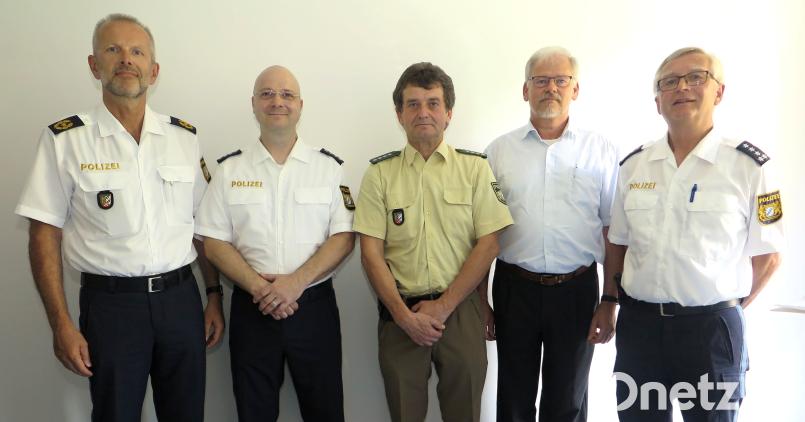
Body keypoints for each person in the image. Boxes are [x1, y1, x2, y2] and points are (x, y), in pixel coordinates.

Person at [14, 13, 225, 422]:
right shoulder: (65, 140)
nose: (126, 59)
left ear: (154, 70)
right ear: (94, 65)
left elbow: (203, 229)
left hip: (181, 302)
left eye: (137, 52)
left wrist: (213, 295)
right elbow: (43, 234)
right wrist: (61, 324)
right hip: (111, 308)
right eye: (113, 49)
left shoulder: (184, 138)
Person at [608, 47, 784, 421]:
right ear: (657, 101)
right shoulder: (634, 166)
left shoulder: (749, 167)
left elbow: (769, 256)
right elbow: (618, 244)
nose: (682, 88)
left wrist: (727, 308)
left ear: (719, 91)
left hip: (710, 334)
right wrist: (609, 302)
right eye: (669, 82)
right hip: (640, 331)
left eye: (695, 77)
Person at [353, 62, 513, 422]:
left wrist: (443, 306)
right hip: (401, 313)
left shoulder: (475, 169)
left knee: (465, 413)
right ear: (399, 114)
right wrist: (402, 316)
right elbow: (370, 254)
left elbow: (489, 244)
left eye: (433, 103)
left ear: (449, 113)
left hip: (461, 311)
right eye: (412, 104)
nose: (423, 112)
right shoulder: (379, 174)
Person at [196, 65, 355, 422]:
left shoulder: (328, 168)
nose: (277, 102)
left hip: (313, 308)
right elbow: (213, 241)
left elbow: (344, 237)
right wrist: (261, 289)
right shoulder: (230, 170)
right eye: (267, 94)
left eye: (286, 95)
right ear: (253, 104)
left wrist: (295, 283)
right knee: (254, 412)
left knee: (326, 411)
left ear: (300, 105)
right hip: (253, 310)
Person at [484, 46, 620, 422]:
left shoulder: (601, 151)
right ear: (525, 90)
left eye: (561, 80)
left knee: (567, 400)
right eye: (541, 80)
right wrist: (481, 302)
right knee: (513, 398)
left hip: (577, 291)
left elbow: (613, 231)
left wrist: (609, 300)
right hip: (514, 289)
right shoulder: (498, 153)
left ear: (575, 89)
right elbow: (481, 232)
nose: (551, 88)